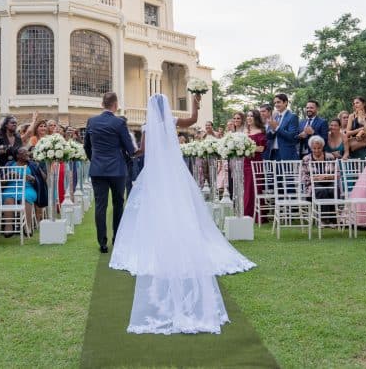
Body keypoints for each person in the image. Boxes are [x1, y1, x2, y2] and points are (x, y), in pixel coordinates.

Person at [110, 94, 255, 335]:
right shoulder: (173, 123)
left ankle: (161, 240)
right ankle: (181, 236)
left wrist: (132, 155)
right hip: (175, 172)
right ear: (166, 108)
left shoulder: (147, 126)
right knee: (181, 204)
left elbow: (144, 150)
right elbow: (193, 119)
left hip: (156, 172)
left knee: (154, 206)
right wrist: (196, 104)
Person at [84, 92, 136, 253]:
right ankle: (117, 238)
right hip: (117, 169)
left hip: (98, 169)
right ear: (116, 105)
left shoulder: (92, 121)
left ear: (102, 104)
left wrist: (95, 160)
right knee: (118, 204)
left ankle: (102, 242)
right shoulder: (119, 122)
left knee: (100, 205)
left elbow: (87, 146)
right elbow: (129, 148)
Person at [1, 147, 40, 237]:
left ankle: (28, 227)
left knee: (27, 197)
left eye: (27, 152)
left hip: (27, 188)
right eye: (24, 152)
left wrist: (31, 178)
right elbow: (1, 181)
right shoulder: (10, 165)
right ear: (17, 155)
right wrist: (7, 176)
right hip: (11, 187)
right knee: (8, 198)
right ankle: (8, 227)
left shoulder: (32, 165)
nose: (27, 154)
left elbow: (39, 180)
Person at [300, 136, 336, 223]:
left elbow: (337, 174)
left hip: (329, 182)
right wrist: (316, 178)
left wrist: (326, 177)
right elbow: (304, 177)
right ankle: (324, 219)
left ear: (322, 147)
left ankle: (333, 219)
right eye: (314, 148)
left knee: (332, 190)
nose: (317, 150)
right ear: (311, 148)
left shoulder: (330, 157)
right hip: (313, 184)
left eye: (319, 148)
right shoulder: (306, 159)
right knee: (322, 191)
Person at [243, 109, 267, 218]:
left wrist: (247, 148)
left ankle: (256, 214)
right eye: (247, 116)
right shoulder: (244, 132)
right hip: (245, 162)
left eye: (251, 116)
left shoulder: (261, 131)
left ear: (256, 118)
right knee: (246, 187)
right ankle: (246, 211)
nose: (248, 118)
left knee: (254, 187)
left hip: (256, 163)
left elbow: (261, 148)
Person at [265, 93, 300, 161]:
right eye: (275, 103)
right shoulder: (275, 117)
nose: (276, 105)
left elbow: (292, 137)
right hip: (273, 154)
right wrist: (272, 130)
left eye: (278, 102)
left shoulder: (292, 117)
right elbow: (268, 137)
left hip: (286, 154)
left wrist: (277, 128)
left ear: (285, 102)